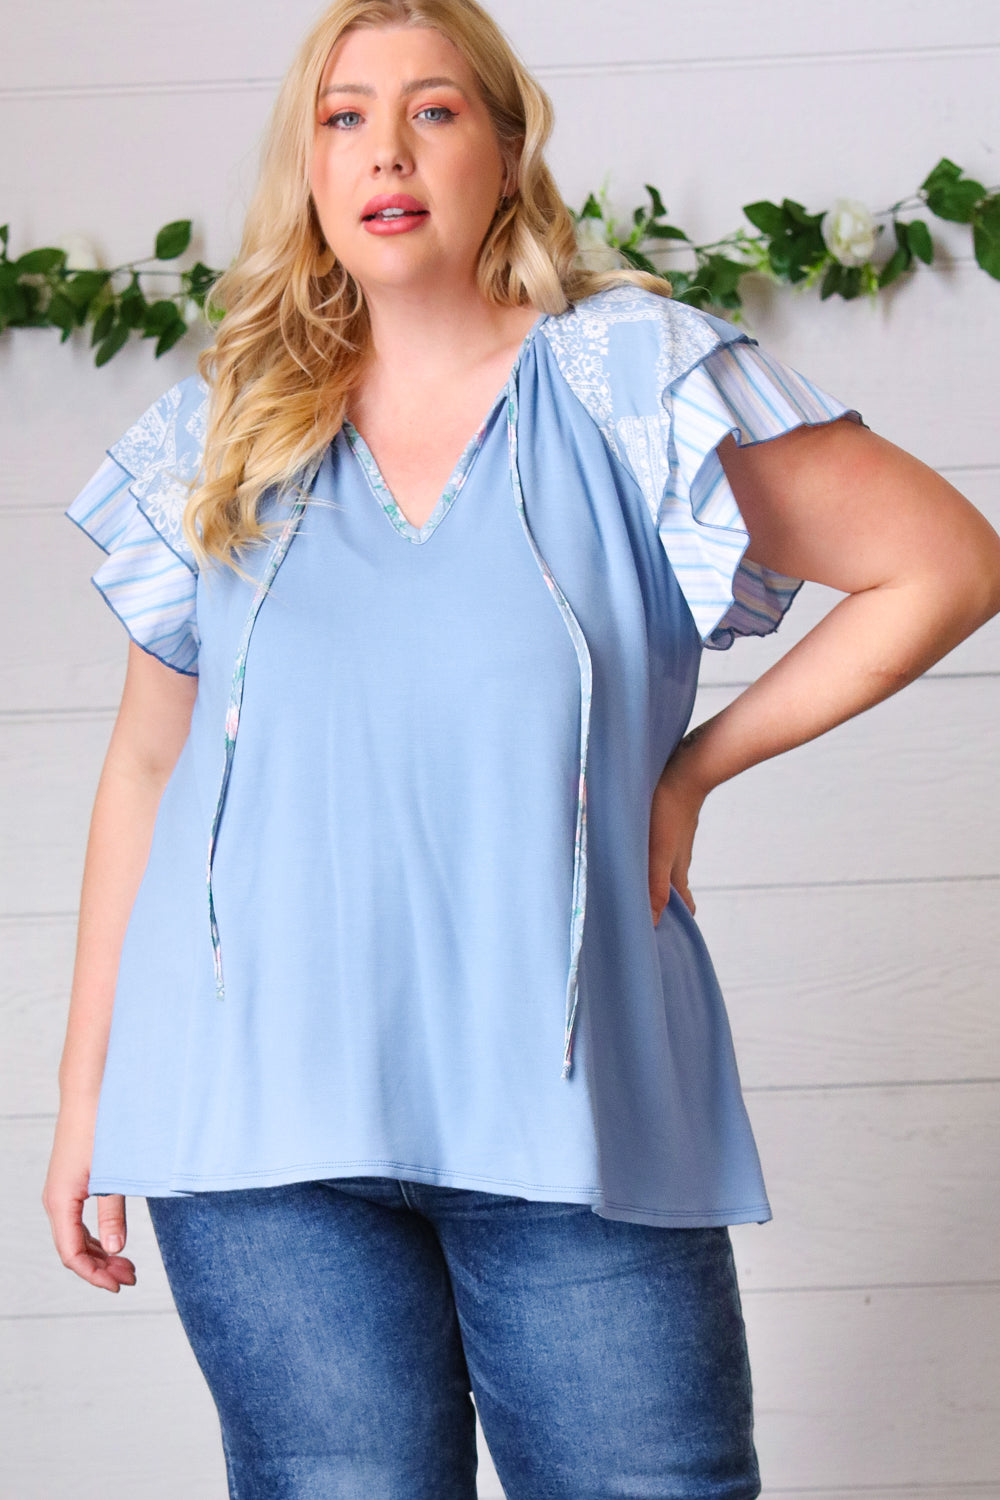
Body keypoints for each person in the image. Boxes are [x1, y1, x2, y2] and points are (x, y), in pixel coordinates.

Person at [43, 1, 1000, 1496]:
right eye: (344, 116)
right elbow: (146, 774)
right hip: (251, 1119)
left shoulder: (631, 382)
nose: (386, 149)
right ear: (308, 166)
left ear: (504, 145)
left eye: (432, 109)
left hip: (572, 1101)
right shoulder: (221, 430)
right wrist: (85, 1101)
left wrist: (692, 770)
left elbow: (943, 564)